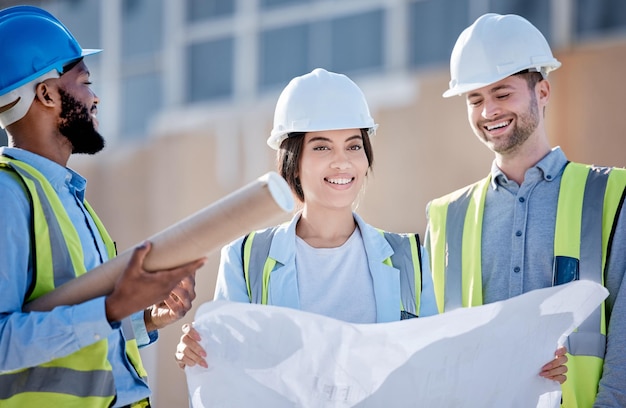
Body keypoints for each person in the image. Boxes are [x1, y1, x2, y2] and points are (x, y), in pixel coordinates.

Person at [174, 68, 567, 385]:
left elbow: (441, 365)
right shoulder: (246, 258)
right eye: (322, 147)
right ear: (293, 161)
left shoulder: (409, 257)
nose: (342, 162)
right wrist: (194, 351)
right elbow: (227, 367)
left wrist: (525, 363)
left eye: (354, 145)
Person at [0, 6, 207, 408]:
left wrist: (145, 315)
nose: (95, 97)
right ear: (45, 93)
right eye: (84, 82)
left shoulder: (67, 199)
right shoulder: (8, 196)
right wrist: (114, 306)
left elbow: (83, 329)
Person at [425, 13, 626, 407]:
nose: (488, 112)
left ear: (544, 92)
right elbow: (437, 346)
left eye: (502, 94)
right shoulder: (445, 218)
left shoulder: (611, 193)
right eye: (475, 99)